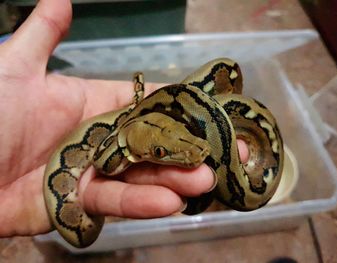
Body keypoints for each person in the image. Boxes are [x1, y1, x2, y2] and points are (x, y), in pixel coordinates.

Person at [0, 0, 248, 237]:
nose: (198, 151)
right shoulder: (111, 155)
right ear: (138, 155)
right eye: (160, 153)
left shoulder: (132, 128)